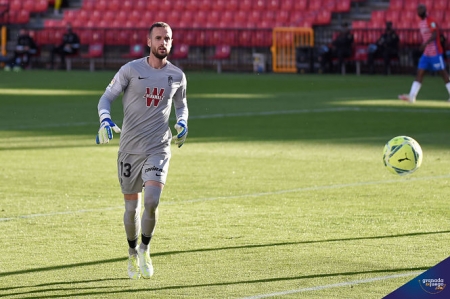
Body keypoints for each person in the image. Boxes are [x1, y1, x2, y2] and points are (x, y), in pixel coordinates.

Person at [95, 22, 188, 280]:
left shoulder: (178, 76)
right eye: (158, 38)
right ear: (148, 41)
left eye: (167, 38)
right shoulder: (130, 70)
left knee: (152, 201)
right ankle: (132, 253)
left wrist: (183, 122)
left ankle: (146, 249)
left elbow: (182, 106)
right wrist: (105, 119)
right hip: (129, 149)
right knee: (131, 209)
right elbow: (106, 98)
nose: (163, 42)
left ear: (171, 41)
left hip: (158, 147)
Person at [399, 4, 450, 103]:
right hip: (427, 53)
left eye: (421, 9)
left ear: (425, 10)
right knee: (420, 72)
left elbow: (435, 34)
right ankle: (412, 96)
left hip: (435, 51)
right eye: (418, 10)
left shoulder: (430, 20)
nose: (419, 11)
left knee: (443, 73)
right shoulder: (421, 23)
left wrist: (425, 44)